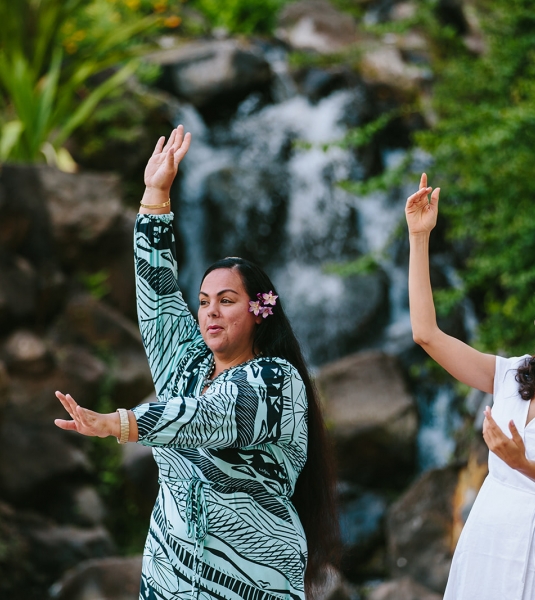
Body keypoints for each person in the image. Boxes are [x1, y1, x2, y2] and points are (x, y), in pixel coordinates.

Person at [55, 126, 338, 600]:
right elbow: (158, 294)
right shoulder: (185, 367)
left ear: (258, 310)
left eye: (227, 300)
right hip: (170, 576)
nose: (210, 310)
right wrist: (155, 193)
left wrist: (120, 423)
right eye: (204, 300)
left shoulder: (275, 381)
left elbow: (210, 417)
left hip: (253, 580)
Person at [406, 174, 535, 600]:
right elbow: (426, 334)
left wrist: (523, 464)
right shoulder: (512, 375)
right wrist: (419, 237)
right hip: (488, 537)